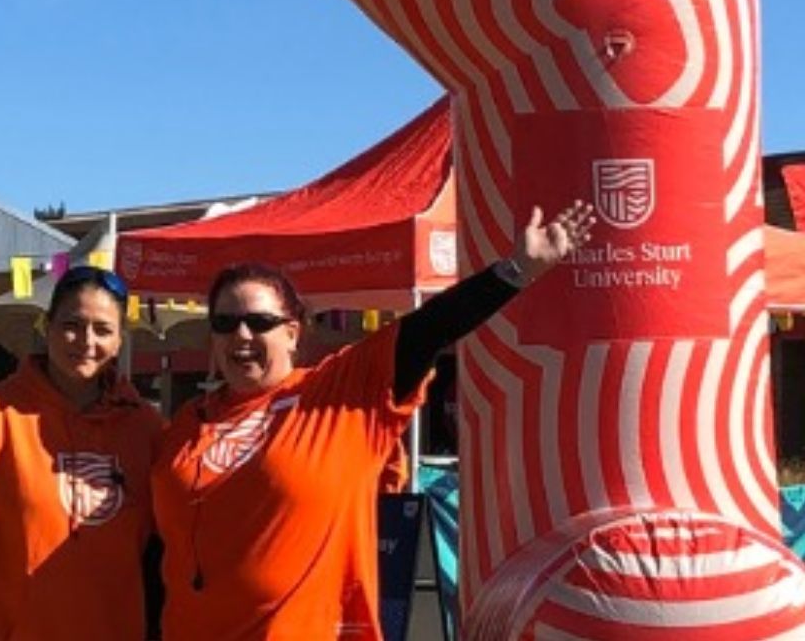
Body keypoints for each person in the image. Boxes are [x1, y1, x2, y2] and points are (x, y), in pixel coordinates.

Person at [152, 202, 595, 639]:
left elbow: (428, 330)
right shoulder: (187, 423)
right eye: (226, 323)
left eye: (260, 321)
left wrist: (513, 272)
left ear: (293, 332)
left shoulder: (338, 394)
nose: (242, 335)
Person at [0, 265, 164, 641]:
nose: (85, 341)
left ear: (120, 340)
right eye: (72, 325)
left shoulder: (145, 427)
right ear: (47, 327)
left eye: (103, 329)